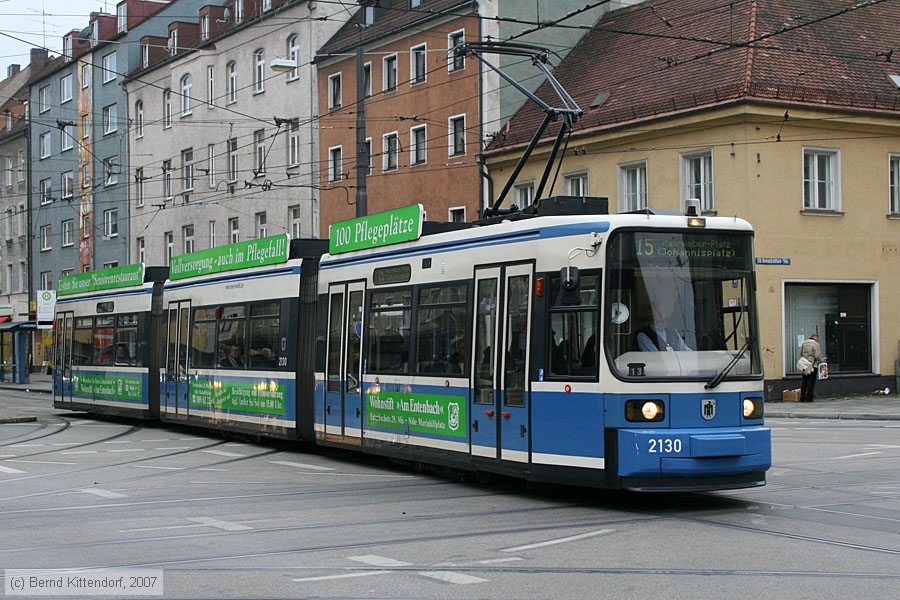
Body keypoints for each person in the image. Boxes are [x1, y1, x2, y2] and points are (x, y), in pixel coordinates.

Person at [799, 333, 824, 402]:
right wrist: (822, 360)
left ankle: (802, 398)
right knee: (811, 382)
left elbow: (801, 353)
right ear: (816, 338)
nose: (818, 341)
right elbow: (817, 355)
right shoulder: (815, 344)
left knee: (804, 381)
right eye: (818, 339)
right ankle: (809, 398)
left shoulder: (804, 343)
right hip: (812, 365)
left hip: (804, 364)